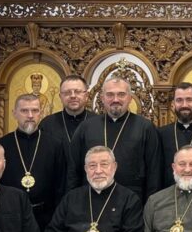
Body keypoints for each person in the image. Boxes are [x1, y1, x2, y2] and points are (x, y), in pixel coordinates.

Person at [67, 76, 162, 204]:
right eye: (110, 95)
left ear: (130, 98)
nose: (115, 99)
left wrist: (151, 206)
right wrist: (73, 202)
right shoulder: (86, 127)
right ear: (102, 98)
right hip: (91, 200)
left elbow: (154, 172)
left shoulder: (145, 127)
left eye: (121, 94)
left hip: (132, 202)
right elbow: (73, 170)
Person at [0, 93, 68, 231]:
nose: (30, 115)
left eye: (35, 110)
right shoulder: (1, 146)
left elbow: (61, 186)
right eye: (24, 110)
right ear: (14, 113)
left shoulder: (55, 145)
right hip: (9, 216)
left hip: (46, 218)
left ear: (40, 113)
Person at [157, 82, 192, 188]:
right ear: (173, 104)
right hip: (168, 194)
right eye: (179, 100)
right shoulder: (160, 134)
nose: (184, 105)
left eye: (189, 100)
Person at [40, 74, 94, 146]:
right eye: (67, 92)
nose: (73, 96)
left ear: (86, 96)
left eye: (77, 92)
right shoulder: (47, 124)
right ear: (60, 97)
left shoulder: (98, 123)